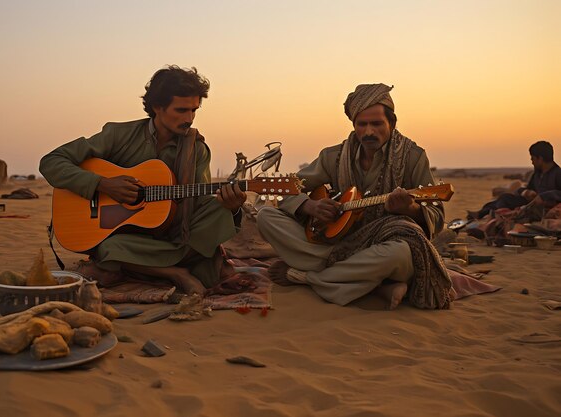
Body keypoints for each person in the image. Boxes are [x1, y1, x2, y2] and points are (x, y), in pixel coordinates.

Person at [39, 65, 246, 296]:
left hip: (173, 236)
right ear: (158, 106)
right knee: (109, 247)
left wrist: (231, 206)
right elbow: (52, 161)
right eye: (181, 110)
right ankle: (175, 273)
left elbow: (198, 203)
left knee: (218, 210)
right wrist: (102, 184)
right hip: (126, 237)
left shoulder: (196, 149)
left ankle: (140, 266)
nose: (189, 119)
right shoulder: (118, 135)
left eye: (194, 110)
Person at [256, 83, 452, 310]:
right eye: (362, 124)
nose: (369, 132)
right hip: (335, 246)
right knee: (265, 216)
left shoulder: (413, 157)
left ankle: (305, 277)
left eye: (377, 124)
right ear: (354, 125)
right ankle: (374, 285)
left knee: (400, 254)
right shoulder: (334, 157)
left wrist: (410, 209)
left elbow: (436, 217)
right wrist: (308, 206)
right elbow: (289, 188)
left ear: (392, 123)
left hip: (384, 246)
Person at [469, 141, 561, 220]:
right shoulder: (537, 174)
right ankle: (481, 214)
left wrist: (544, 196)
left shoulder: (557, 173)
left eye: (533, 158)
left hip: (545, 208)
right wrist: (526, 192)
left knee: (504, 201)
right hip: (530, 203)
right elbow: (525, 189)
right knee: (504, 198)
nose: (532, 161)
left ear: (540, 159)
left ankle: (498, 218)